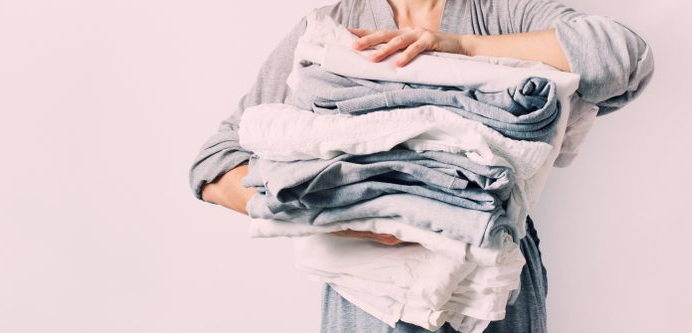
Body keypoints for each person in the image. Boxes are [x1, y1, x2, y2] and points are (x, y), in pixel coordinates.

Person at [189, 0, 654, 331]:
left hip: (490, 265)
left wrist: (460, 48)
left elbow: (624, 58)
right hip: (366, 290)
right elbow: (215, 164)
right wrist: (350, 210)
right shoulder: (331, 30)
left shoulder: (502, 13)